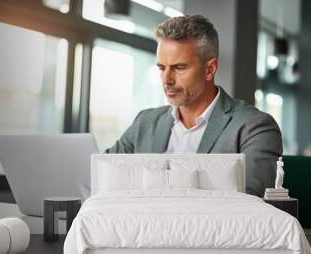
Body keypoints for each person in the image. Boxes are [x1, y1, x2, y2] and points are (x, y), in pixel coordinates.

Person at [105, 15, 282, 197]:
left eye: (179, 68)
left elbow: (252, 201)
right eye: (161, 67)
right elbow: (103, 174)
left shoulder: (254, 127)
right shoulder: (145, 122)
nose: (166, 79)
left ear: (209, 69)